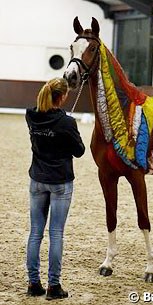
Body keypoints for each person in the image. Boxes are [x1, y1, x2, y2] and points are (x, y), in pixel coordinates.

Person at [25, 77, 85, 300]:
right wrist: (69, 128)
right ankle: (53, 286)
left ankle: (33, 283)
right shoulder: (66, 122)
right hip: (60, 182)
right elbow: (79, 150)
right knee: (56, 234)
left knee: (35, 233)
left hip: (37, 180)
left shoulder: (30, 115)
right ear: (62, 97)